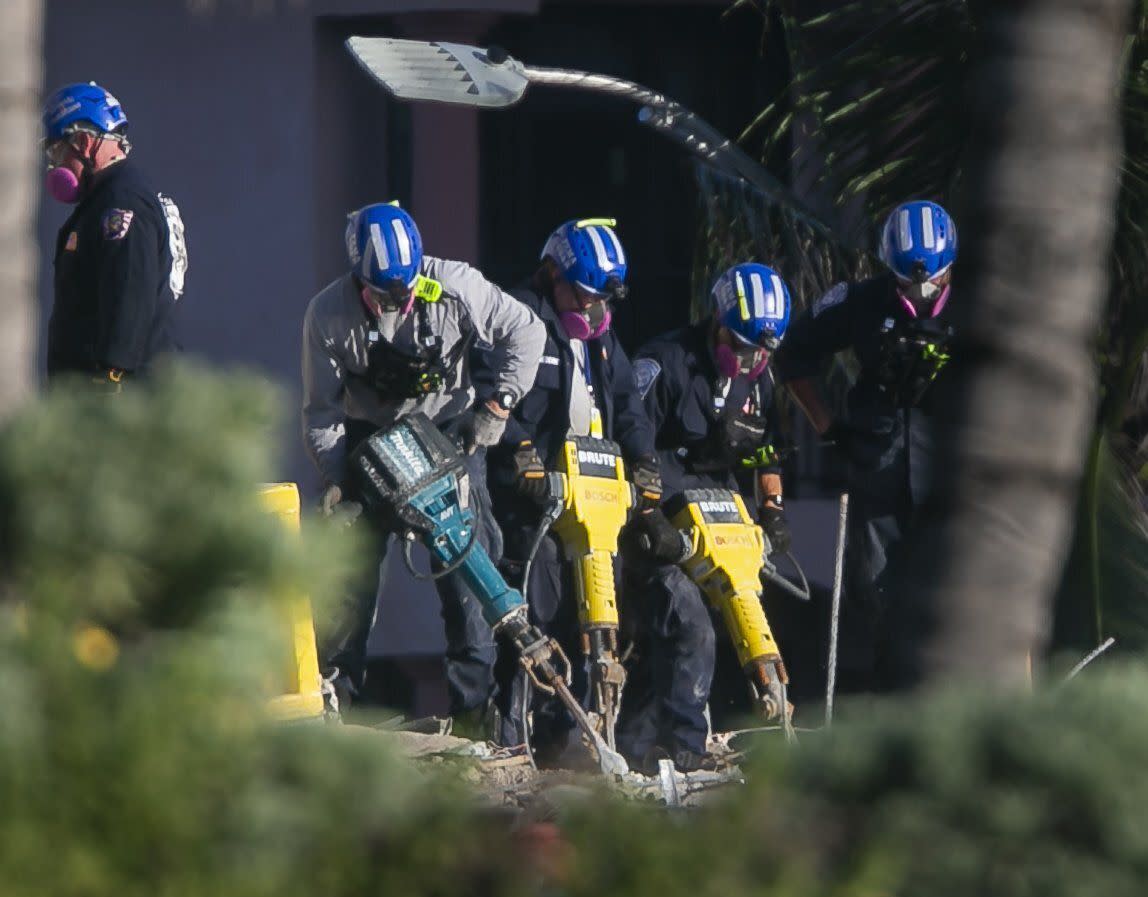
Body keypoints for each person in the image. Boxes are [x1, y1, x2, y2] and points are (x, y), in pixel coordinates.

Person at [302, 202, 545, 719]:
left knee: (468, 572)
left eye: (408, 287)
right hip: (370, 448)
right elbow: (321, 412)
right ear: (359, 279)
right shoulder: (327, 315)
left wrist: (497, 405)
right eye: (387, 293)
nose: (402, 300)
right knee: (348, 576)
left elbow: (526, 332)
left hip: (449, 437)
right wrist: (338, 478)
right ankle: (337, 700)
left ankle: (476, 715)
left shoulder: (457, 285)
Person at [479, 218, 662, 757]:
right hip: (529, 503)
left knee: (585, 618)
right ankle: (512, 738)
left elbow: (628, 403)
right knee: (530, 618)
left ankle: (569, 741)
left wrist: (645, 460)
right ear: (550, 274)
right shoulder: (520, 318)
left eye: (601, 300)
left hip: (589, 502)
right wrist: (520, 450)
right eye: (584, 297)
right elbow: (488, 389)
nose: (593, 310)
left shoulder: (602, 340)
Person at [774, 199, 957, 692]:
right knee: (881, 591)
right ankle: (892, 700)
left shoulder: (980, 302)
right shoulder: (860, 300)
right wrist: (826, 424)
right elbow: (791, 353)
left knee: (952, 588)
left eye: (931, 282)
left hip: (950, 472)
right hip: (878, 467)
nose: (919, 293)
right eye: (906, 283)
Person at [619, 262, 793, 773]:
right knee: (686, 619)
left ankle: (644, 742)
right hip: (656, 525)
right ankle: (686, 752)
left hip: (722, 521)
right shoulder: (665, 362)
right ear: (716, 322)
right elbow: (629, 441)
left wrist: (772, 511)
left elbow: (767, 452)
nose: (749, 360)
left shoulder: (759, 381)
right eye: (740, 346)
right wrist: (648, 518)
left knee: (738, 620)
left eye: (760, 352)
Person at [43, 81, 188, 390]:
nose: (55, 165)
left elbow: (129, 293)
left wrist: (111, 378)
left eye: (57, 151)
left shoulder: (121, 203)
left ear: (82, 142)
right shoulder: (111, 197)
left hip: (124, 401)